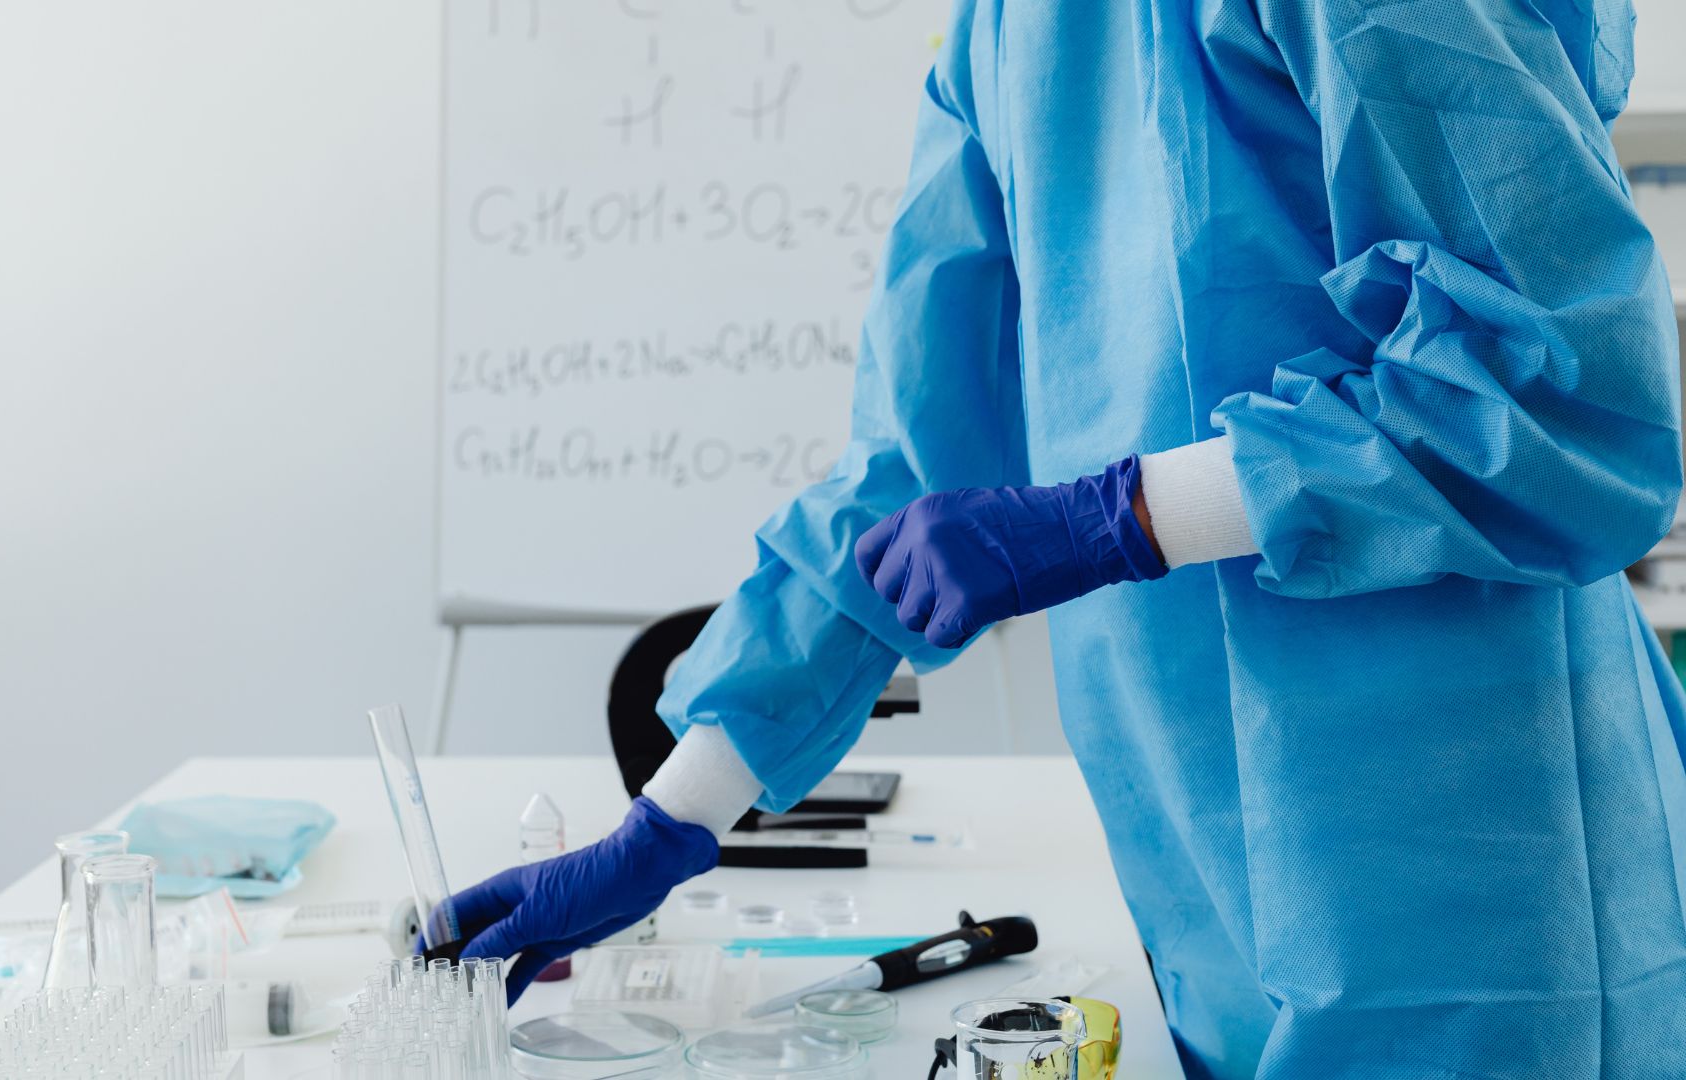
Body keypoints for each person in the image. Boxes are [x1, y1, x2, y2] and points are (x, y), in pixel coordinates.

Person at [442, 1, 1686, 1075]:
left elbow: (1564, 390)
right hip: (1204, 883)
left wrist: (1123, 517)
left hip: (1472, 873)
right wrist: (673, 818)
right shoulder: (1009, 27)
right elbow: (908, 469)